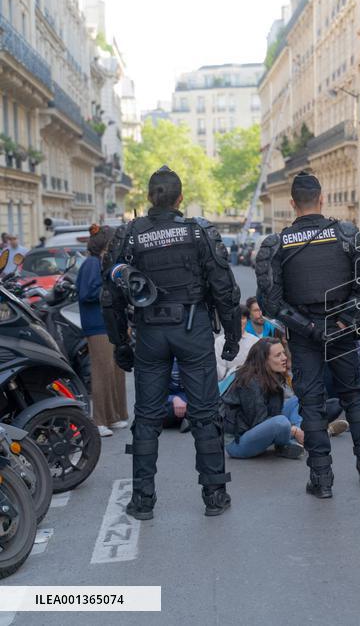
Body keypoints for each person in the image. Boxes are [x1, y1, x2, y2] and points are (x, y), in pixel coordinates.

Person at [102, 165, 242, 520]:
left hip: (150, 333)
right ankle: (214, 496)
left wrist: (120, 343)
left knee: (147, 418)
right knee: (205, 413)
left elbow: (110, 296)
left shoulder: (129, 235)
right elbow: (224, 288)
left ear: (149, 198)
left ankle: (142, 501)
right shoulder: (198, 232)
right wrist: (232, 335)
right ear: (180, 198)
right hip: (192, 329)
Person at [255, 170, 360, 499]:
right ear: (322, 199)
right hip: (340, 331)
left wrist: (309, 327)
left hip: (304, 333)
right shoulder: (347, 233)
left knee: (311, 404)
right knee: (354, 396)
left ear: (292, 203)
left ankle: (321, 479)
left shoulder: (277, 243)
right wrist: (342, 321)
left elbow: (270, 301)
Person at [76, 225, 129, 436]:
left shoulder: (100, 262)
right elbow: (86, 294)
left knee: (115, 369)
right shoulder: (91, 263)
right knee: (102, 371)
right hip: (97, 325)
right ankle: (99, 421)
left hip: (108, 323)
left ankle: (114, 416)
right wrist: (110, 286)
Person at [221, 338, 305, 459]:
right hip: (238, 442)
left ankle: (300, 434)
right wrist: (293, 430)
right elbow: (258, 421)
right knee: (281, 422)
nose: (284, 358)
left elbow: (274, 411)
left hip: (259, 428)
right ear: (264, 361)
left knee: (298, 400)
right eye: (278, 355)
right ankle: (289, 441)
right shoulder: (249, 382)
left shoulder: (271, 374)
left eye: (283, 353)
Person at [216, 305, 260, 383]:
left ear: (247, 320)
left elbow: (259, 368)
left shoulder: (256, 341)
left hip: (252, 382)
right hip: (228, 385)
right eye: (235, 319)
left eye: (242, 318)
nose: (239, 322)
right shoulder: (220, 342)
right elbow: (219, 374)